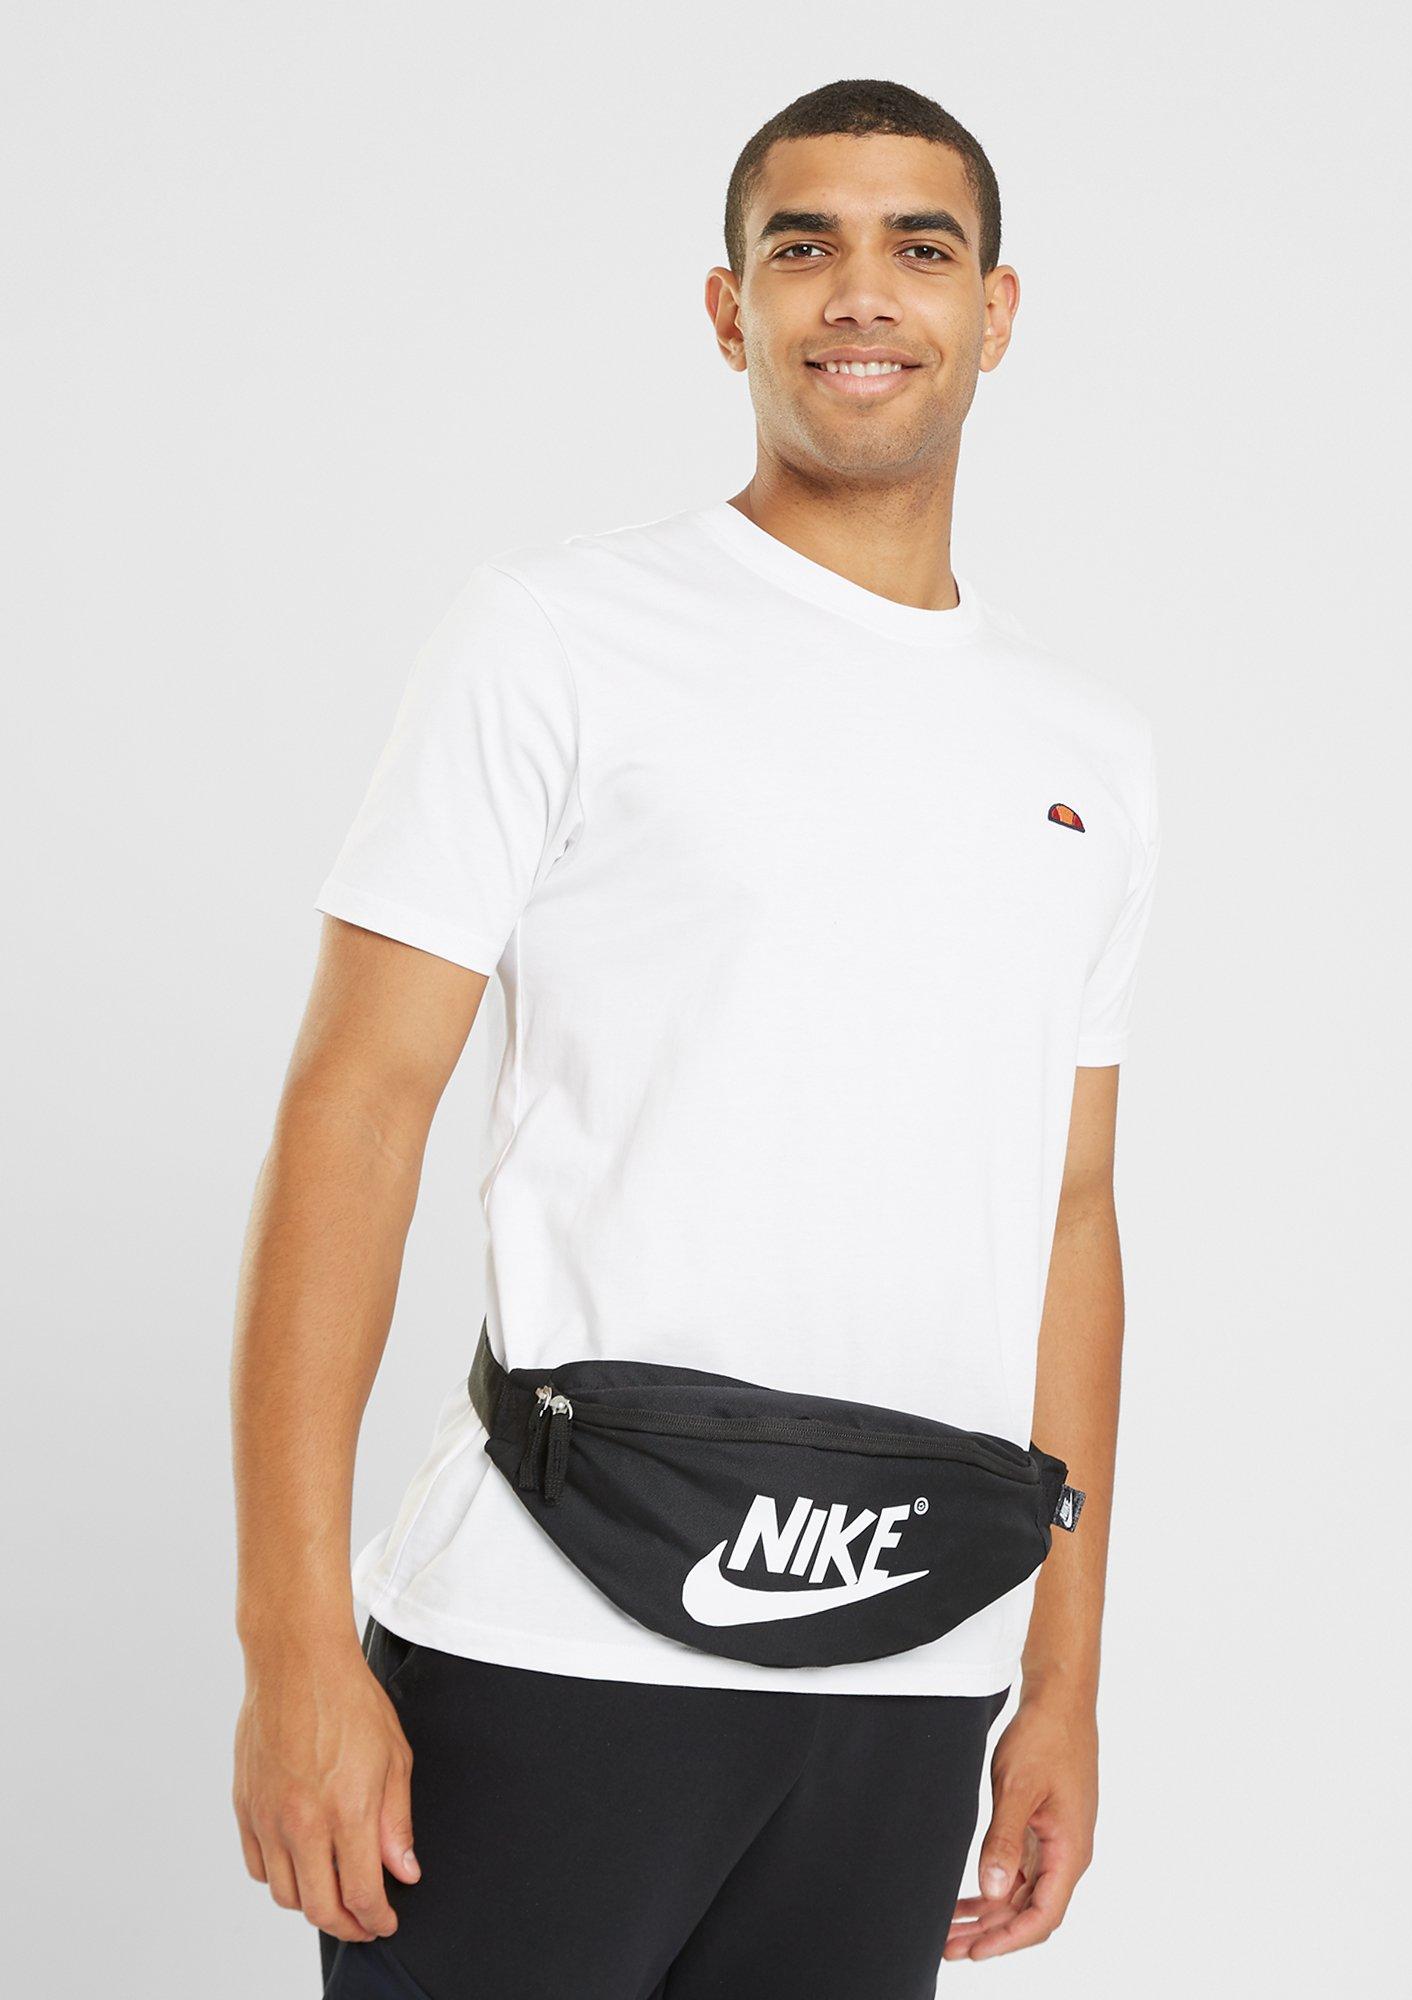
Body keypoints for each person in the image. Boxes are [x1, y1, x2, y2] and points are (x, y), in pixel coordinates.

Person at [230, 76, 1162, 2000]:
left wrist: (1060, 1676)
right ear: (731, 311)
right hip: (550, 1632)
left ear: (995, 312)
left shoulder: (1091, 752)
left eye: (920, 247)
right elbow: (357, 1106)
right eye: (803, 245)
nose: (861, 290)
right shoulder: (555, 637)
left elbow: (1072, 1214)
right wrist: (292, 1641)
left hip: (920, 1653)